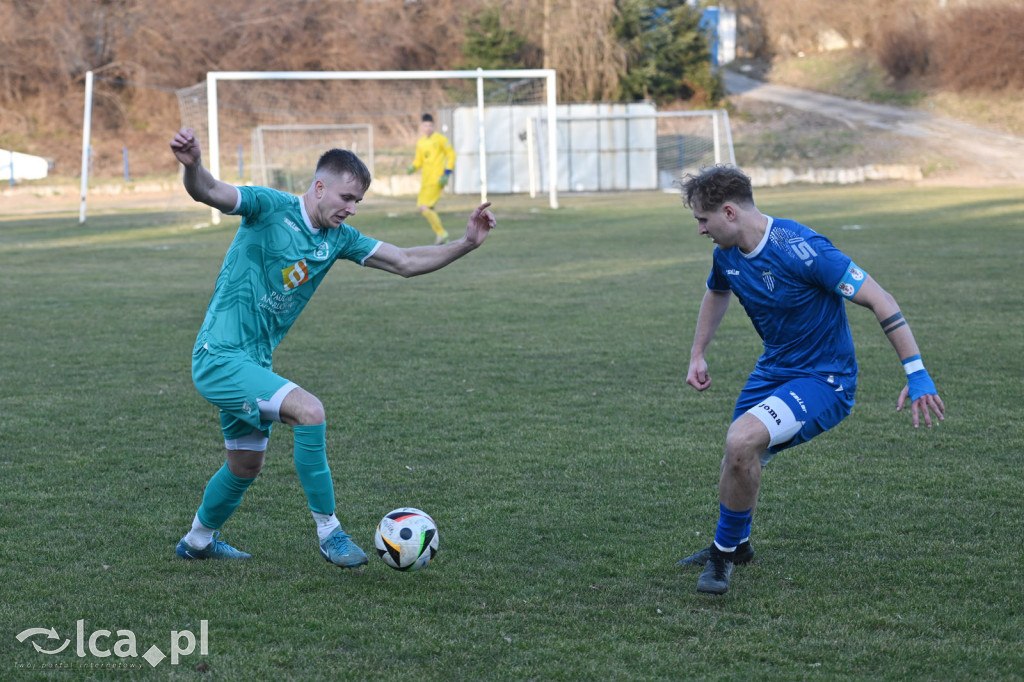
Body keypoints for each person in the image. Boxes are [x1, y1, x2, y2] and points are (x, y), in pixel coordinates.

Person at [169, 127, 496, 568]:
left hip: (254, 362)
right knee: (310, 411)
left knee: (246, 465)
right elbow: (208, 190)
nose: (351, 207)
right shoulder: (269, 207)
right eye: (346, 197)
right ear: (319, 187)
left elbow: (404, 262)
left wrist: (466, 245)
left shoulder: (339, 239)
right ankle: (330, 532)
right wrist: (192, 165)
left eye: (358, 201)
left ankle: (197, 542)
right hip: (219, 356)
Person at [675, 165, 945, 595]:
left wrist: (918, 374)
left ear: (728, 212)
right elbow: (717, 291)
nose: (701, 230)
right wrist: (697, 353)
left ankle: (721, 555)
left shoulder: (802, 248)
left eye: (702, 221)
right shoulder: (726, 253)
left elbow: (880, 299)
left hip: (825, 378)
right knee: (739, 458)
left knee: (741, 441)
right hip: (774, 370)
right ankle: (739, 544)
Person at [407, 113, 456, 244]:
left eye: (430, 125)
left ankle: (442, 233)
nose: (427, 127)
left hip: (438, 179)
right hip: (425, 180)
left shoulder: (440, 139)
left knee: (424, 207)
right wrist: (413, 167)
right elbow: (419, 161)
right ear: (422, 126)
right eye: (425, 125)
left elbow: (451, 155)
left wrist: (447, 172)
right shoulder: (421, 143)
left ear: (433, 126)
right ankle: (441, 235)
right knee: (425, 208)